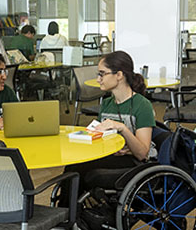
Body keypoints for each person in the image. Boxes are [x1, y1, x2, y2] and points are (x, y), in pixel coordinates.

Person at [57, 51, 167, 205]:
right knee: (73, 166)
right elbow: (98, 135)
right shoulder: (107, 104)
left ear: (119, 75)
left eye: (102, 74)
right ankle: (67, 212)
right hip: (112, 155)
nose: (98, 79)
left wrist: (122, 128)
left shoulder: (142, 105)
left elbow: (142, 153)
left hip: (135, 163)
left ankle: (67, 213)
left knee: (79, 170)